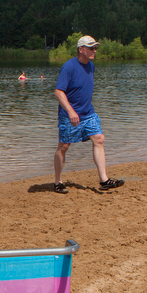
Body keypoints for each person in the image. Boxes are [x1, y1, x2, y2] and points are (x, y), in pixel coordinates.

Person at [52, 35, 124, 194]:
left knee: (99, 138)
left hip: (88, 113)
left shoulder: (91, 66)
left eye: (95, 48)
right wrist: (71, 111)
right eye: (91, 48)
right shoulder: (69, 67)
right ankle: (58, 182)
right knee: (63, 146)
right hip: (69, 114)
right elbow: (58, 92)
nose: (94, 51)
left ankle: (104, 180)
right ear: (81, 49)